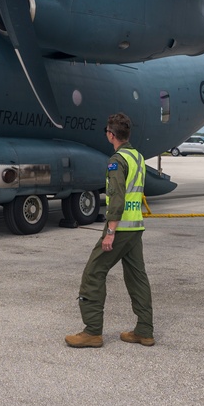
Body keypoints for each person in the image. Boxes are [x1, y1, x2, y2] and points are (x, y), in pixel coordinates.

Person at [66, 112, 154, 348]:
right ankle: (144, 330)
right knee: (137, 277)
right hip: (136, 226)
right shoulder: (138, 157)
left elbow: (116, 197)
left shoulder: (117, 161)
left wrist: (110, 231)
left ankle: (92, 331)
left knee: (94, 273)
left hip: (122, 227)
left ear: (111, 135)